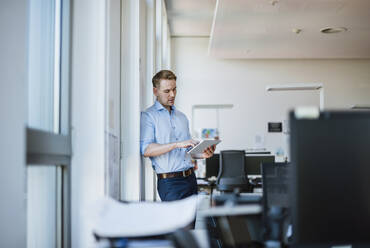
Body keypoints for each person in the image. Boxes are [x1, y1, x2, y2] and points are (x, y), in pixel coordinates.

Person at [140, 70, 216, 202]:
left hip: (191, 179)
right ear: (155, 91)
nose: (172, 94)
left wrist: (202, 154)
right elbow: (147, 150)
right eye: (167, 91)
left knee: (191, 222)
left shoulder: (182, 117)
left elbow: (187, 152)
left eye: (174, 90)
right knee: (176, 223)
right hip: (170, 183)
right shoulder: (148, 116)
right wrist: (176, 144)